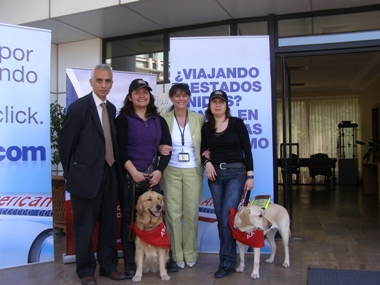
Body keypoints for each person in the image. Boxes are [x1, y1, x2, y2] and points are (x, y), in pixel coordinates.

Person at [58, 64, 126, 285]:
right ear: (91, 82)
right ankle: (86, 270)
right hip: (85, 179)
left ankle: (108, 267)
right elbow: (65, 144)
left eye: (107, 81)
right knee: (84, 228)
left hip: (109, 176)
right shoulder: (78, 108)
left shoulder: (112, 109)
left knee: (108, 226)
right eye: (99, 80)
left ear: (112, 83)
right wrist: (72, 173)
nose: (103, 85)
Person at [115, 78, 173, 278]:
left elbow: (166, 149)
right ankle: (132, 263)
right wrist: (133, 172)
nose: (142, 96)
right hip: (130, 177)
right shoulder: (122, 120)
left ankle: (163, 260)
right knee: (130, 219)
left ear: (150, 96)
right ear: (130, 97)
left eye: (145, 92)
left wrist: (159, 171)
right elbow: (119, 149)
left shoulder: (159, 120)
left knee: (157, 217)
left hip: (152, 178)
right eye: (137, 93)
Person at [200, 90, 254, 278]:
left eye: (221, 102)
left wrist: (250, 176)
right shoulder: (206, 128)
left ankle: (227, 262)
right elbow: (202, 152)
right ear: (210, 106)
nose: (217, 105)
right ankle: (227, 261)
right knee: (222, 219)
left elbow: (247, 150)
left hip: (236, 173)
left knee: (226, 216)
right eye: (214, 102)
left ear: (226, 105)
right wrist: (206, 163)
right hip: (215, 175)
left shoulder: (237, 124)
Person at [160, 83, 205, 269]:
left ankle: (190, 252)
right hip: (170, 170)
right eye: (177, 95)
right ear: (171, 98)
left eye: (184, 95)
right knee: (172, 214)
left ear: (189, 98)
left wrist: (208, 153)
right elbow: (155, 140)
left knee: (192, 213)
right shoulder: (163, 118)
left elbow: (208, 139)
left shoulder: (199, 118)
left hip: (193, 170)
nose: (181, 98)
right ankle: (177, 254)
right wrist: (158, 148)